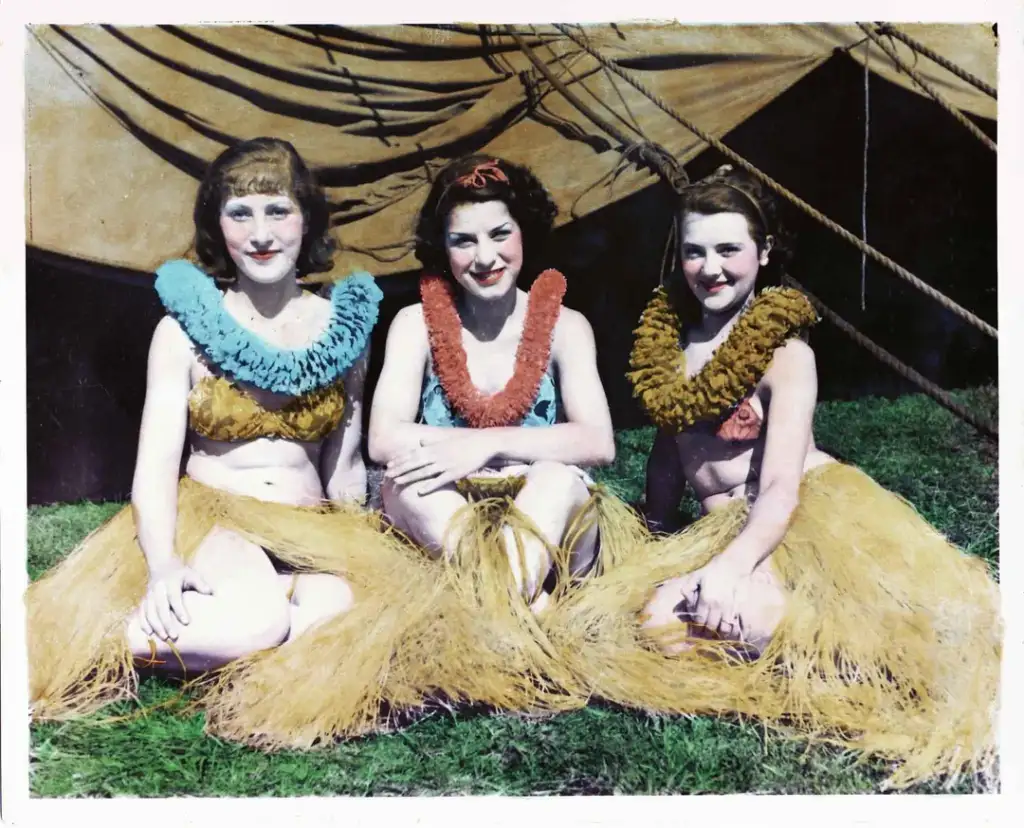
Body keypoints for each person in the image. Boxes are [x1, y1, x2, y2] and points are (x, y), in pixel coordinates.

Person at [552, 165, 1000, 789]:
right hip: (716, 526)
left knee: (731, 619)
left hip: (788, 520)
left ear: (762, 255)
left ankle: (845, 649)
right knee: (653, 623)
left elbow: (782, 488)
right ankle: (781, 633)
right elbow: (667, 450)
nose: (712, 268)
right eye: (695, 251)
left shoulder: (787, 354)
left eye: (729, 250)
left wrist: (731, 567)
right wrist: (653, 533)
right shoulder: (668, 346)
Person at [27, 138, 426, 740]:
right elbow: (156, 468)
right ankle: (93, 634)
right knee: (259, 625)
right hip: (215, 522)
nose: (261, 233)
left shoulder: (345, 329)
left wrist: (363, 555)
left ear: (307, 221)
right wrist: (163, 565)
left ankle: (251, 618)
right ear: (217, 226)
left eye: (278, 211)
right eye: (240, 213)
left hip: (307, 526)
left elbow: (341, 465)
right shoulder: (182, 331)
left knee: (341, 613)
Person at [369, 154, 623, 612]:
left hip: (547, 521)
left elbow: (597, 441)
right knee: (407, 487)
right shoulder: (414, 324)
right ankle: (525, 615)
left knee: (557, 481)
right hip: (449, 514)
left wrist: (483, 446)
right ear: (443, 249)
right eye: (463, 241)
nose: (485, 257)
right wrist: (466, 448)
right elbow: (384, 437)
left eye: (500, 234)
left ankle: (495, 611)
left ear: (524, 231)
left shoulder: (567, 326)